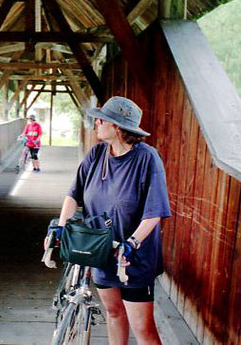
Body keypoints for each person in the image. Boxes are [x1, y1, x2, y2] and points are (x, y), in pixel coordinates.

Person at [52, 96, 171, 345]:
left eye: (102, 119)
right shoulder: (96, 155)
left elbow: (155, 213)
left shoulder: (147, 159)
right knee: (114, 314)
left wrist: (131, 244)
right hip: (100, 250)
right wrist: (60, 226)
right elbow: (73, 195)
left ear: (118, 127)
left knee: (142, 327)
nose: (96, 123)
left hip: (133, 257)